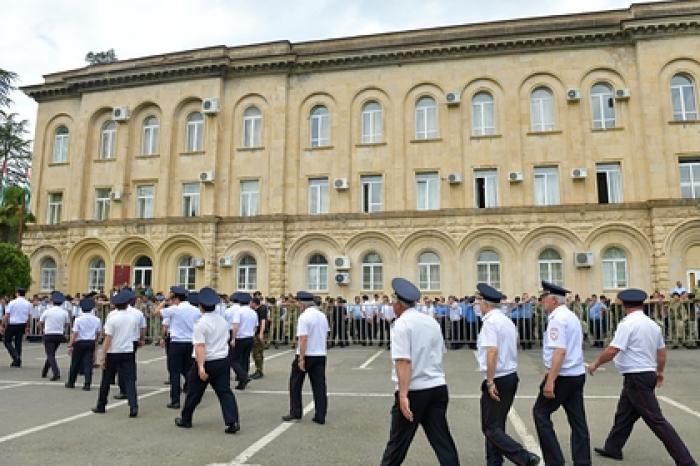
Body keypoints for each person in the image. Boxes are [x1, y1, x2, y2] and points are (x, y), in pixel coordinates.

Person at [588, 289, 697, 466]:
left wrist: (596, 363)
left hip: (636, 376)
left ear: (624, 305)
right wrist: (660, 371)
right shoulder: (652, 324)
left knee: (656, 420)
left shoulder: (627, 324)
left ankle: (685, 460)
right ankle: (613, 447)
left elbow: (613, 349)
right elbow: (661, 352)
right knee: (624, 414)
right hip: (645, 374)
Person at [380, 278, 460, 466]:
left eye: (393, 302)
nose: (392, 306)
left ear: (399, 304)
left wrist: (403, 395)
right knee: (442, 442)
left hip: (415, 389)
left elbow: (403, 361)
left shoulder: (401, 324)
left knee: (397, 444)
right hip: (437, 386)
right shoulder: (430, 321)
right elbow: (439, 353)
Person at [476, 284, 541, 466]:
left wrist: (490, 381)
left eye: (479, 301)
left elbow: (492, 352)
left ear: (486, 303)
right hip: (510, 375)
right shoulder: (506, 320)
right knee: (497, 424)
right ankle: (494, 461)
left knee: (489, 427)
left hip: (498, 377)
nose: (478, 305)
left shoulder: (490, 322)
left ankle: (524, 457)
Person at [532, 281, 591, 466]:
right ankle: (582, 461)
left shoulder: (557, 319)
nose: (542, 302)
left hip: (563, 376)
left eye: (544, 299)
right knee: (578, 420)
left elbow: (559, 351)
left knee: (540, 413)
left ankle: (554, 461)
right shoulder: (570, 316)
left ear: (554, 300)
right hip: (576, 373)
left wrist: (550, 380)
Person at [175, 287, 240, 434]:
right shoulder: (222, 321)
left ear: (201, 306)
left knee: (194, 393)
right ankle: (232, 421)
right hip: (222, 360)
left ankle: (186, 419)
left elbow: (200, 346)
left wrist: (201, 367)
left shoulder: (201, 324)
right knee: (225, 393)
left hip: (207, 360)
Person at [281, 291, 329, 425]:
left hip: (307, 354)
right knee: (319, 386)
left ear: (302, 304)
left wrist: (301, 358)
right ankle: (320, 414)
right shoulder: (322, 316)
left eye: (298, 303)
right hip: (320, 354)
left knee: (295, 384)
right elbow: (326, 333)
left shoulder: (304, 317)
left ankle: (296, 411)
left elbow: (303, 339)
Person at [93, 289, 140, 418]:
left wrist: (103, 354)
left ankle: (101, 404)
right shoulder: (132, 318)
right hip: (128, 350)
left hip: (113, 351)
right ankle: (133, 406)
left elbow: (108, 338)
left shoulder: (112, 318)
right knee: (130, 380)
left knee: (106, 380)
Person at [155, 286, 200, 409]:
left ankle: (175, 400)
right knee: (188, 370)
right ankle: (193, 393)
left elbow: (156, 312)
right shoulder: (195, 310)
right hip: (190, 342)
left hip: (177, 342)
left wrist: (165, 301)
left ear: (175, 298)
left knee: (174, 372)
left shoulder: (174, 309)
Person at [65, 297, 102, 390]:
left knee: (75, 363)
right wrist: (96, 340)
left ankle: (71, 382)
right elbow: (98, 333)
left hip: (79, 342)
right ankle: (87, 384)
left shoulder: (78, 319)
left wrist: (70, 344)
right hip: (90, 341)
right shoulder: (97, 320)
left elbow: (75, 333)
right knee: (88, 363)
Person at [38, 291, 71, 381]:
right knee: (51, 353)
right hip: (59, 334)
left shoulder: (47, 311)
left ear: (52, 301)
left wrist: (42, 330)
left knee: (50, 354)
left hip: (48, 333)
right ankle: (44, 371)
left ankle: (56, 373)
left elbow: (40, 322)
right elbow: (67, 324)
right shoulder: (64, 312)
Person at [231, 292, 257, 390]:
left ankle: (243, 376)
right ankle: (242, 382)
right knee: (245, 359)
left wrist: (233, 338)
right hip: (250, 337)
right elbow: (255, 327)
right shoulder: (253, 312)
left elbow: (236, 326)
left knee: (233, 360)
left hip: (240, 337)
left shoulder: (239, 312)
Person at [2, 287, 32, 367]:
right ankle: (17, 361)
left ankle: (15, 356)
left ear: (17, 293)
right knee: (18, 342)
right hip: (22, 324)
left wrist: (2, 324)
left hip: (13, 324)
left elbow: (7, 315)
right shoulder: (28, 303)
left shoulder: (12, 302)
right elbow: (29, 317)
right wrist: (27, 327)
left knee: (7, 341)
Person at [249, 297, 268, 379]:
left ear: (254, 303)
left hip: (259, 333)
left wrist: (260, 333)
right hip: (260, 333)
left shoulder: (260, 310)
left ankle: (259, 371)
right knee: (259, 352)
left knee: (256, 352)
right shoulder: (263, 308)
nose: (250, 304)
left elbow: (263, 321)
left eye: (251, 303)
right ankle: (259, 370)